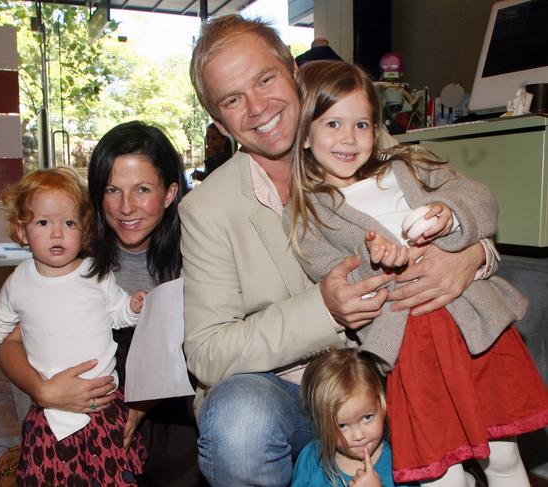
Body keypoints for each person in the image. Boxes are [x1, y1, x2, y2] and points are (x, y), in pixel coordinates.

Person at [182, 14, 499, 487]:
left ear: (292, 70)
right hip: (292, 394)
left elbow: (459, 204)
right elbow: (207, 352)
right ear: (218, 119)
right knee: (239, 422)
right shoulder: (206, 209)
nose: (257, 108)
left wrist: (471, 257)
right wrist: (324, 310)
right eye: (232, 100)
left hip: (393, 372)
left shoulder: (353, 134)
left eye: (265, 79)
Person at [285, 60, 548, 486]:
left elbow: (477, 196)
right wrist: (377, 259)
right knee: (440, 473)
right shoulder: (305, 216)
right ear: (305, 135)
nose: (349, 138)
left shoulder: (407, 166)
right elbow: (337, 282)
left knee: (502, 458)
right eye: (333, 123)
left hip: (472, 331)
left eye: (362, 124)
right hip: (413, 351)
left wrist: (449, 216)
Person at [0, 122, 205, 487]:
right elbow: (8, 343)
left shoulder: (195, 256)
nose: (126, 207)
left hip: (166, 410)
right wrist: (41, 390)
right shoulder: (71, 258)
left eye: (142, 189)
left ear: (170, 193)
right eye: (112, 190)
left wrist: (140, 406)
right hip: (76, 414)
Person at [0, 166, 147, 485]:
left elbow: (118, 314)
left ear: (85, 229)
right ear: (22, 232)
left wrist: (133, 307)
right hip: (50, 416)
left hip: (104, 410)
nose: (58, 233)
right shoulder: (19, 282)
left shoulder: (96, 273)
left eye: (69, 223)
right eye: (43, 223)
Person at [292, 349, 416, 487]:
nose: (358, 435)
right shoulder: (311, 459)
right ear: (321, 423)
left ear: (381, 404)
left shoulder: (400, 459)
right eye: (342, 426)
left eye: (367, 417)